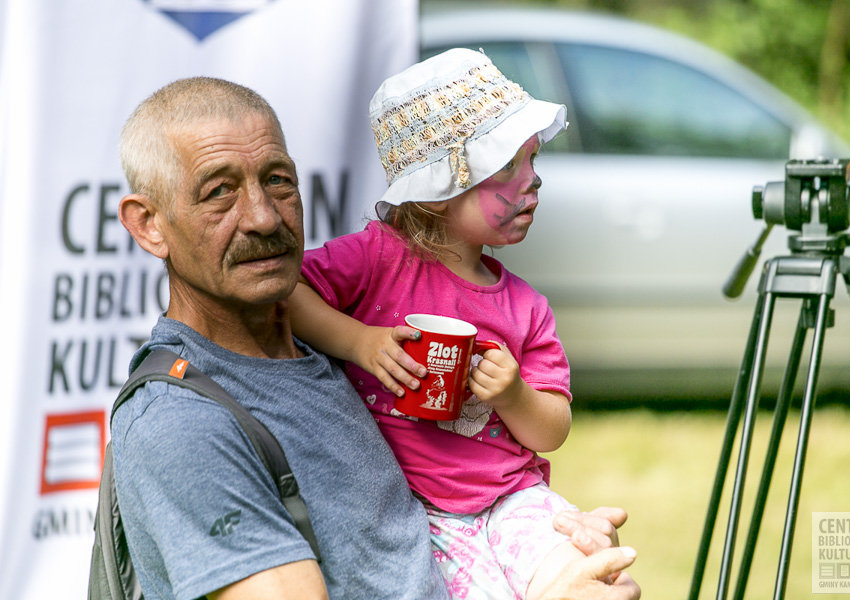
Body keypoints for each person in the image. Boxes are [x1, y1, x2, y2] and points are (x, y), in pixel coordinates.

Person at [114, 75, 640, 600]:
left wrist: (564, 570)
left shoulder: (312, 348)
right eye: (219, 191)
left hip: (510, 507)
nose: (264, 217)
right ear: (148, 224)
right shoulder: (182, 423)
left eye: (278, 180)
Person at [289, 48, 602, 600]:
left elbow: (551, 432)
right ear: (437, 194)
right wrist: (359, 341)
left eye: (532, 160)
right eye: (506, 167)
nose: (532, 181)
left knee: (576, 575)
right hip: (414, 514)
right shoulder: (376, 260)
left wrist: (514, 396)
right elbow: (285, 292)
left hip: (514, 499)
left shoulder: (526, 308)